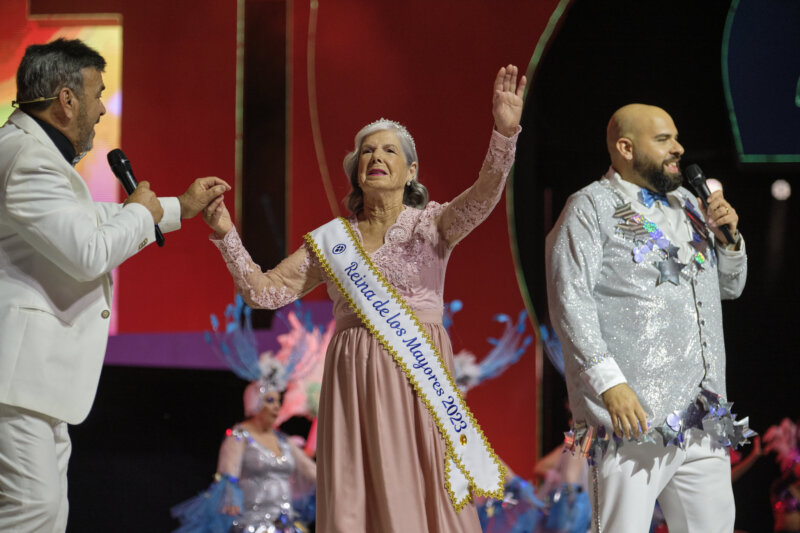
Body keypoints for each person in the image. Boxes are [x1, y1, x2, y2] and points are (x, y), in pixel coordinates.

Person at [202, 65, 526, 531]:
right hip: (354, 379)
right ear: (356, 173)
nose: (376, 156)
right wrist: (225, 233)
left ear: (411, 171)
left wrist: (504, 133)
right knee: (359, 496)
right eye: (367, 151)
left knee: (424, 489)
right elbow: (262, 292)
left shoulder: (432, 224)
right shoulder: (331, 242)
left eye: (389, 150)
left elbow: (484, 194)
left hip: (419, 378)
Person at [0, 38, 230, 532]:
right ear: (66, 100)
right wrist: (141, 215)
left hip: (31, 384)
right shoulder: (27, 159)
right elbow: (89, 252)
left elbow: (86, 222)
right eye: (97, 93)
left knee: (46, 514)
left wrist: (176, 208)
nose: (102, 108)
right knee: (33, 513)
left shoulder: (31, 153)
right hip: (15, 381)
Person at [545, 103, 751, 533]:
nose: (678, 148)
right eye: (663, 140)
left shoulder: (690, 204)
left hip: (702, 416)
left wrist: (729, 244)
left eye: (676, 137)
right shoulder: (590, 207)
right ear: (626, 148)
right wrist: (610, 384)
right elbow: (570, 302)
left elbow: (727, 289)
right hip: (630, 419)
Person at [171, 349, 317, 533]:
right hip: (251, 526)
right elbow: (228, 471)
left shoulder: (284, 441)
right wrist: (229, 494)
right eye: (270, 400)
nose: (276, 407)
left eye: (278, 401)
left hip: (285, 527)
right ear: (256, 403)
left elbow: (311, 471)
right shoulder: (240, 435)